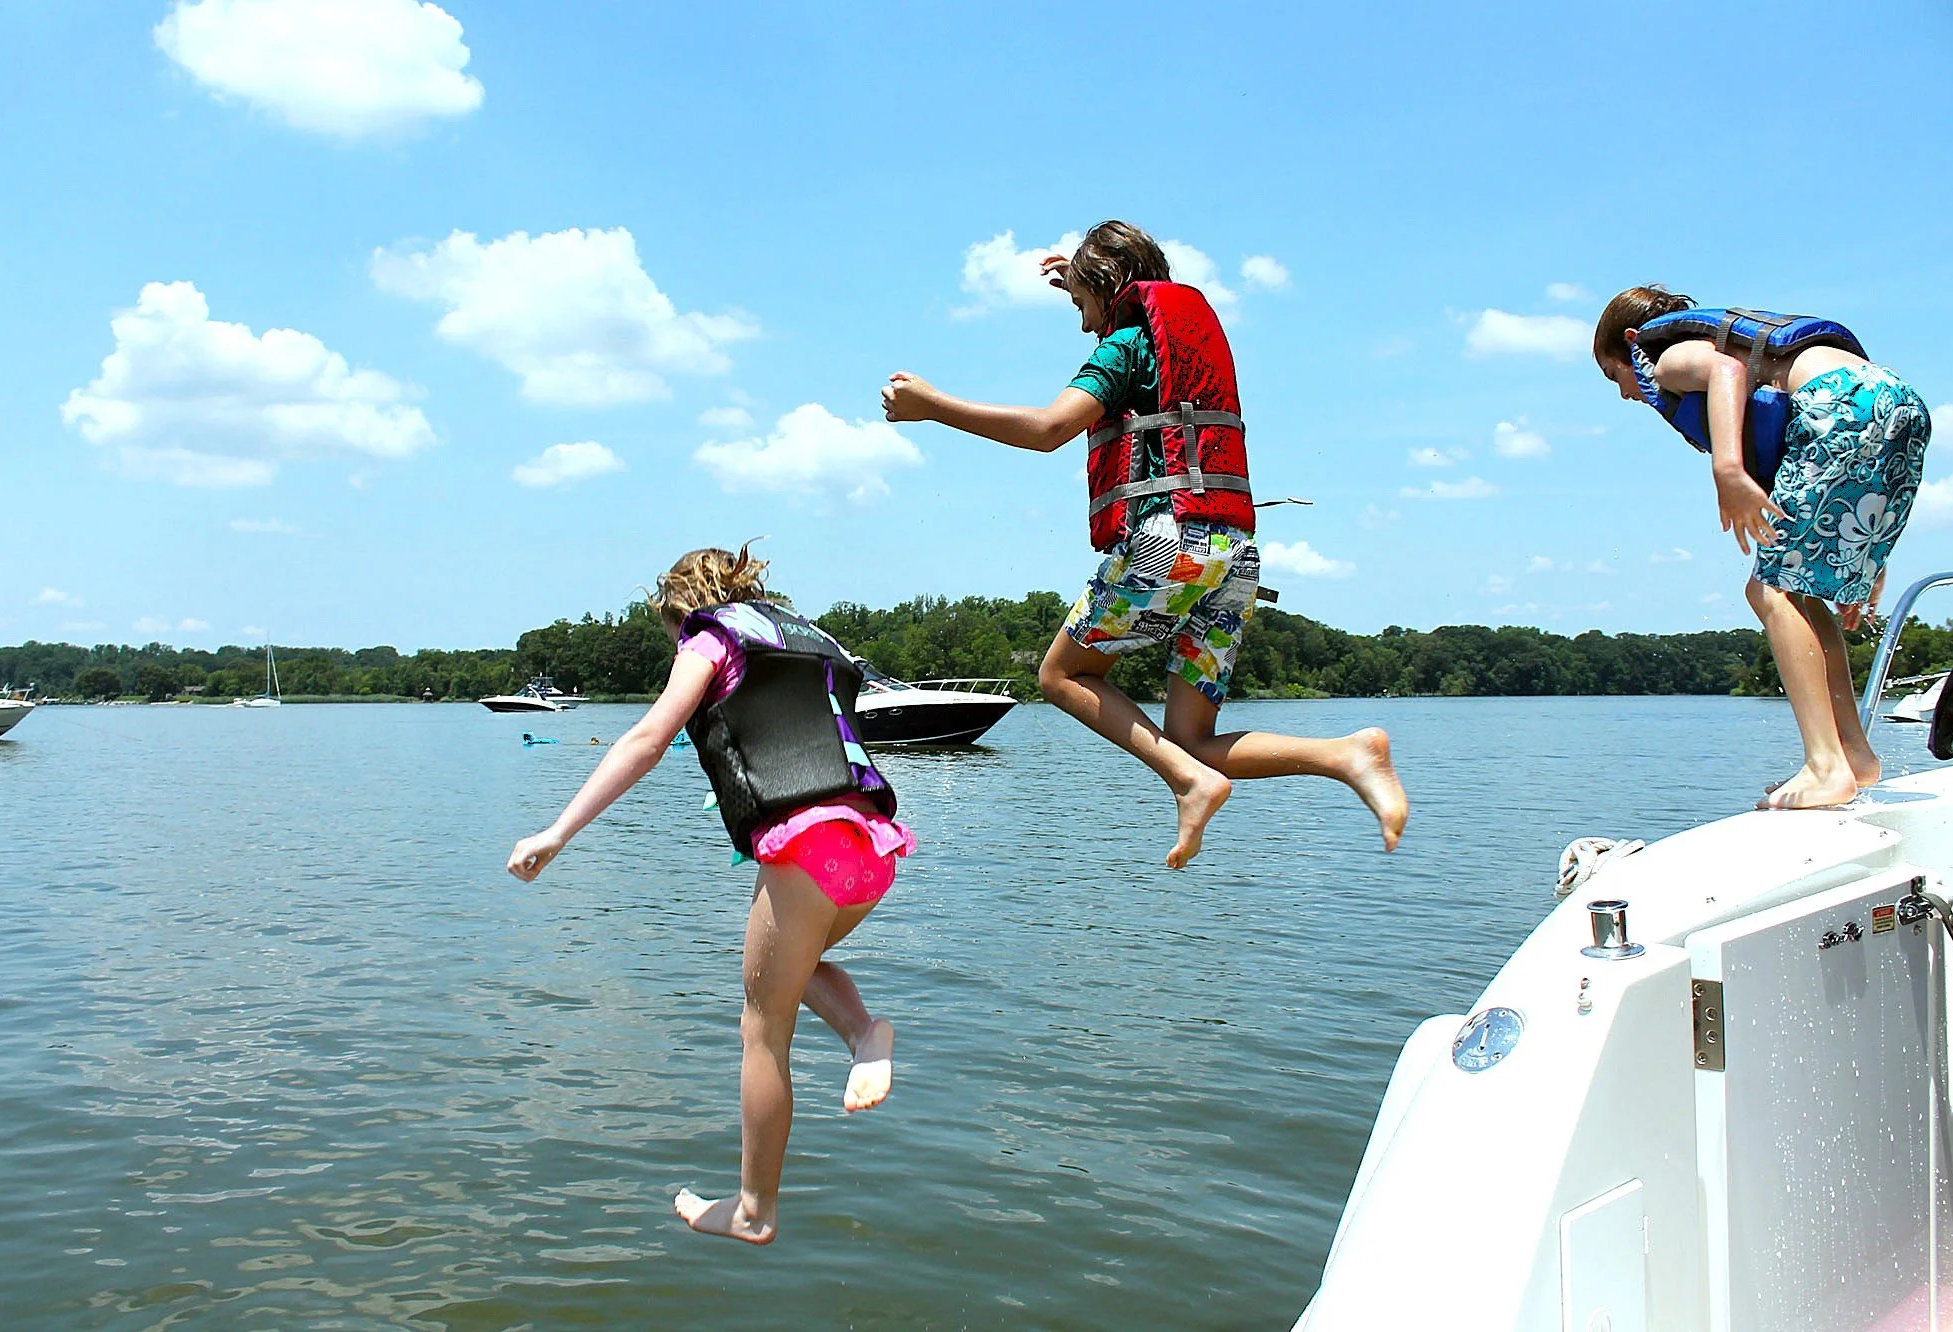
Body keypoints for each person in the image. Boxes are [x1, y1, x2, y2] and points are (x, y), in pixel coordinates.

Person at [881, 220, 1407, 867]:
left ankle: (1186, 784)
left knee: (1060, 674)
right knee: (1189, 736)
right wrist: (1076, 284)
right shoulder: (1170, 345)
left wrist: (933, 406)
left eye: (1082, 306)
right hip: (1234, 551)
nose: (1081, 326)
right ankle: (1347, 754)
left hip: (1170, 544)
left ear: (1108, 285)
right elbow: (1131, 345)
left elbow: (1050, 429)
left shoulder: (1123, 348)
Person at [505, 545, 913, 1244]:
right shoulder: (813, 637)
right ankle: (864, 1035)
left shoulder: (710, 635)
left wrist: (558, 831)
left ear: (681, 608)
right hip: (872, 851)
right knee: (793, 974)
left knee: (762, 1024)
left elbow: (648, 738)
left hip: (804, 847)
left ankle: (755, 1209)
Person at [1593, 289, 1933, 809]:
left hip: (1837, 402)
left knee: (1769, 590)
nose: (1624, 393)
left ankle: (1826, 764)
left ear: (1632, 344)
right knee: (1800, 593)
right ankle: (1853, 754)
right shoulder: (1771, 360)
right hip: (1894, 402)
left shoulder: (1667, 357)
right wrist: (1871, 558)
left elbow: (1725, 370)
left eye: (1614, 374)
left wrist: (1726, 469)